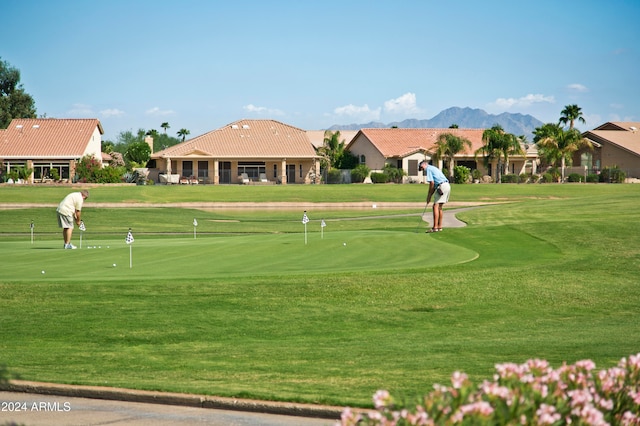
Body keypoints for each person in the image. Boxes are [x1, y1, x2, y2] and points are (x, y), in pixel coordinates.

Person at [419, 160, 450, 233]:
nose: (422, 169)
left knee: (435, 206)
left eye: (421, 167)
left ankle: (435, 227)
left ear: (424, 164)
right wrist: (430, 195)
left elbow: (432, 183)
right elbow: (434, 187)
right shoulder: (433, 168)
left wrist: (429, 195)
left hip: (441, 186)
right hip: (446, 186)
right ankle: (439, 227)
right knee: (439, 207)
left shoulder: (428, 169)